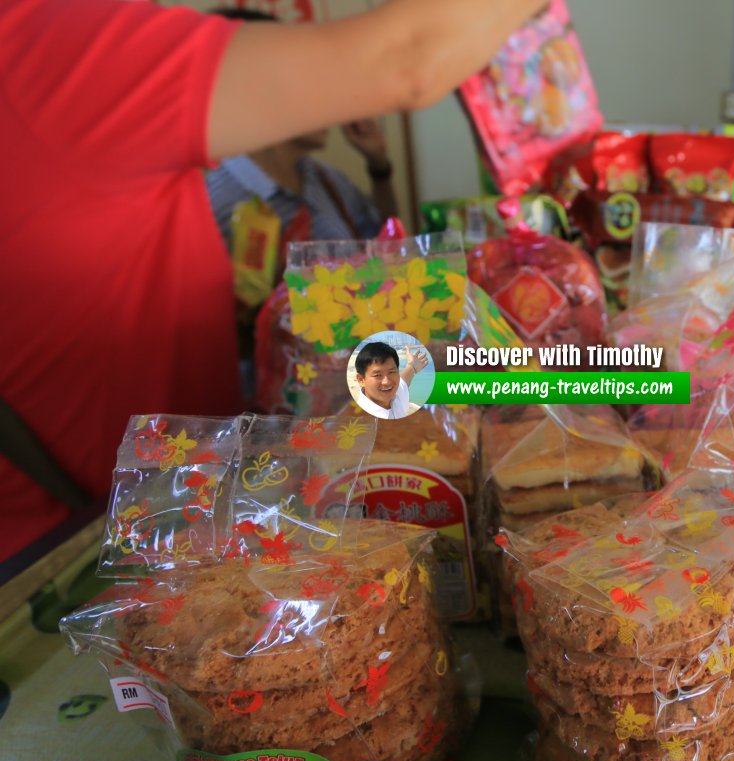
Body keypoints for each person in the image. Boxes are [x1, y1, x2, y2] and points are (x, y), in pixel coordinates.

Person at [0, 0, 546, 562]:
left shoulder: (318, 180)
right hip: (82, 541)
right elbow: (407, 57)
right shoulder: (45, 48)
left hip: (183, 500)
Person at [205, 9, 399, 248]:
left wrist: (378, 166)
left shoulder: (324, 178)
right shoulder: (213, 205)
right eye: (306, 77)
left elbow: (386, 246)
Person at [353, 342, 429, 419]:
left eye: (391, 372)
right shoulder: (359, 419)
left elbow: (404, 379)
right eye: (377, 375)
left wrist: (412, 366)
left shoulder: (396, 394)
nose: (387, 382)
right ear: (361, 380)